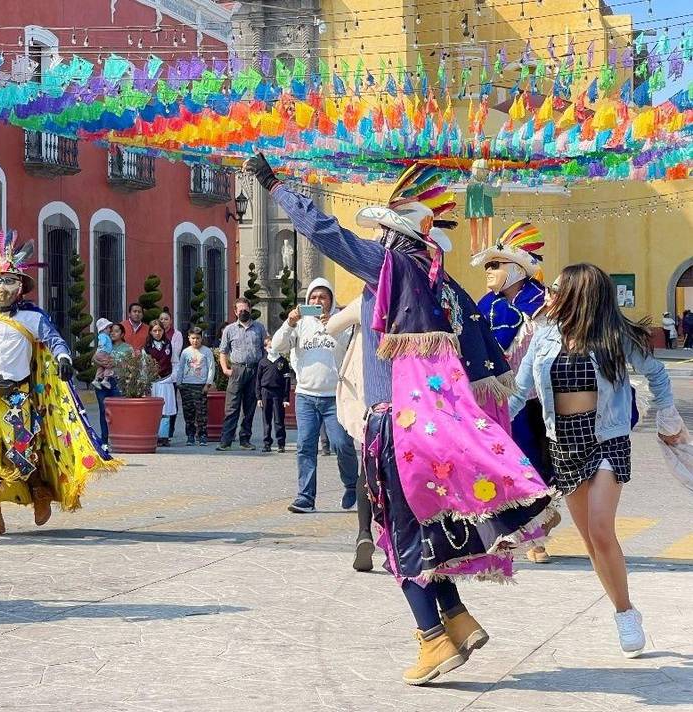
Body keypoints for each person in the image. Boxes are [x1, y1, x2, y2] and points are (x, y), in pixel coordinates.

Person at [247, 154, 552, 685]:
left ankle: (432, 640)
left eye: (385, 230)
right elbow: (486, 366)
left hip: (397, 426)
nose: (379, 240)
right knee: (429, 531)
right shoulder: (445, 284)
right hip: (431, 429)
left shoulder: (394, 266)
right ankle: (456, 619)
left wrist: (276, 187)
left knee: (402, 535)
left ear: (396, 232)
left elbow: (325, 233)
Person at [510, 263, 684, 658]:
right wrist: (486, 426)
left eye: (554, 289)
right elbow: (519, 392)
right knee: (590, 538)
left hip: (607, 436)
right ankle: (624, 606)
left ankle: (624, 615)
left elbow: (656, 373)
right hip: (564, 441)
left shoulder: (614, 336)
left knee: (602, 529)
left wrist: (667, 416)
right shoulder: (544, 337)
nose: (547, 296)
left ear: (577, 294)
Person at [0, 230, 118, 537]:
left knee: (22, 452)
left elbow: (55, 341)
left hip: (18, 397)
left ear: (20, 287)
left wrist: (64, 359)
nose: (2, 287)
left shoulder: (33, 317)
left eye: (9, 281)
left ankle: (38, 490)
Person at [472, 222, 560, 564]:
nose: (489, 271)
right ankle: (511, 529)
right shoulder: (483, 305)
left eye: (496, 264)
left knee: (534, 465)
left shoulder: (542, 305)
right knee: (503, 466)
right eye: (489, 265)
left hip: (536, 400)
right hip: (498, 399)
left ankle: (537, 532)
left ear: (517, 268)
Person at [273, 277, 359, 512]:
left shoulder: (341, 322)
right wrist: (289, 323)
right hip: (306, 395)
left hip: (334, 396)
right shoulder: (300, 323)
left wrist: (332, 324)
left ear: (331, 300)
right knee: (305, 445)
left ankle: (353, 485)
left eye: (322, 297)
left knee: (342, 443)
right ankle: (305, 497)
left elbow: (345, 348)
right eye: (313, 297)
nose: (317, 301)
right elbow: (277, 347)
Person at [325, 296, 376, 570]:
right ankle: (401, 540)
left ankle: (364, 532)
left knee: (367, 469)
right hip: (407, 397)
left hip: (370, 396)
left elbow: (332, 327)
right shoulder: (419, 297)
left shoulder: (366, 300)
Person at [216, 297, 267, 451]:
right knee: (232, 407)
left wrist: (263, 370)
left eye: (246, 309)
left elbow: (265, 349)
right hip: (237, 370)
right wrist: (225, 369)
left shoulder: (259, 328)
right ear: (235, 312)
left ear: (250, 310)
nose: (243, 312)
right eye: (240, 310)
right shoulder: (229, 330)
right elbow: (223, 351)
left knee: (250, 407)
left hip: (254, 369)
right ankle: (226, 441)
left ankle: (245, 439)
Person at [93, 322, 133, 441]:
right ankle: (104, 440)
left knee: (118, 411)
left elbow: (131, 365)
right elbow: (94, 359)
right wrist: (102, 362)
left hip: (117, 381)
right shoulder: (105, 344)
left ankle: (119, 438)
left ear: (122, 334)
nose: (112, 333)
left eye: (116, 331)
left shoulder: (127, 348)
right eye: (111, 331)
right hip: (102, 383)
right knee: (104, 411)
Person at [177, 326, 214, 445]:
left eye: (198, 338)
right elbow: (181, 368)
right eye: (193, 338)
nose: (195, 341)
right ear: (188, 338)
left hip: (200, 386)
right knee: (188, 412)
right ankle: (190, 435)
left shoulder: (207, 351)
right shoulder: (185, 352)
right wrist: (179, 383)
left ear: (202, 338)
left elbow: (211, 368)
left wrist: (208, 384)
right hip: (186, 385)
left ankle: (202, 435)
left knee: (201, 412)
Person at [255, 334, 291, 453]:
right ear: (265, 348)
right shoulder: (263, 362)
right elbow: (258, 380)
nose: (272, 349)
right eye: (269, 347)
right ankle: (267, 443)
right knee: (266, 419)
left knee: (279, 419)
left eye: (273, 346)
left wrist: (286, 398)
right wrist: (259, 397)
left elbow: (287, 380)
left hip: (278, 393)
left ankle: (281, 443)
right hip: (265, 392)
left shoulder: (282, 361)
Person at [146, 320, 176, 447]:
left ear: (163, 331)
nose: (157, 333)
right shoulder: (147, 347)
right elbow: (143, 365)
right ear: (150, 332)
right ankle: (154, 435)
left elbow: (174, 361)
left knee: (166, 409)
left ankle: (164, 436)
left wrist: (172, 376)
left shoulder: (168, 344)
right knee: (154, 410)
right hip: (153, 381)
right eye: (155, 331)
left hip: (166, 379)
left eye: (160, 330)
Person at [158, 309, 183, 438]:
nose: (163, 321)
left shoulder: (176, 334)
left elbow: (175, 352)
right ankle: (160, 430)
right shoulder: (155, 334)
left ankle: (170, 428)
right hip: (157, 375)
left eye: (166, 319)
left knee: (171, 402)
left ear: (171, 321)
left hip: (171, 373)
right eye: (161, 319)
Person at [90, 317, 114, 390]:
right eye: (109, 328)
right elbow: (102, 342)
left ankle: (96, 379)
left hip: (101, 353)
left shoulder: (103, 336)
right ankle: (105, 380)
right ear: (104, 329)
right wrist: (102, 345)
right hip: (104, 353)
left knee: (101, 367)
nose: (110, 330)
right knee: (109, 365)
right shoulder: (104, 336)